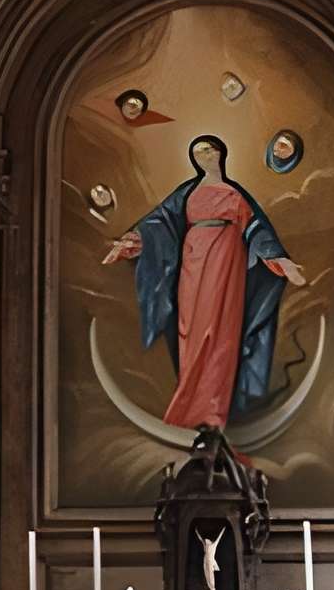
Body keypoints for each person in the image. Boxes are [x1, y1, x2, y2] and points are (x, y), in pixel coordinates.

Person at [102, 134, 306, 428]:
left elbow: (257, 232)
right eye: (198, 152)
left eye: (208, 150)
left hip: (226, 262)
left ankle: (212, 412)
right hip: (193, 264)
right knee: (191, 330)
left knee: (220, 330)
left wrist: (281, 262)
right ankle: (188, 402)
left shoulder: (235, 195)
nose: (204, 155)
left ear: (221, 153)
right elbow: (159, 223)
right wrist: (131, 242)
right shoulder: (186, 193)